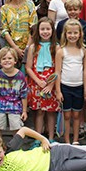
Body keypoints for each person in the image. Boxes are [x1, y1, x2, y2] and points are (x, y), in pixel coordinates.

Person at [25, 17, 59, 146]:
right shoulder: (33, 47)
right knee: (39, 111)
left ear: (52, 30)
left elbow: (58, 68)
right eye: (42, 29)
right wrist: (38, 81)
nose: (45, 32)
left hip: (51, 84)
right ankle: (38, 138)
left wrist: (51, 85)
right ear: (38, 31)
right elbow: (28, 67)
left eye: (48, 29)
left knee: (51, 111)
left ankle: (51, 137)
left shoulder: (56, 47)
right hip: (37, 83)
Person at [54, 19, 85, 145]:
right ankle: (67, 140)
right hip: (65, 87)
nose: (72, 36)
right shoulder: (61, 51)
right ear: (65, 34)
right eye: (69, 33)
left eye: (75, 33)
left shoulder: (83, 50)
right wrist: (58, 91)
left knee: (77, 115)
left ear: (80, 34)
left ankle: (76, 140)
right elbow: (57, 72)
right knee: (67, 115)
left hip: (79, 87)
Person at [0, 47, 28, 137]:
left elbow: (24, 95)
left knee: (17, 129)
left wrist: (24, 111)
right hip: (0, 106)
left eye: (10, 58)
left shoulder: (20, 76)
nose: (7, 61)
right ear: (0, 61)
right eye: (4, 59)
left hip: (15, 106)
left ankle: (16, 149)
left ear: (15, 61)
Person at [0, 0, 38, 64]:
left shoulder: (30, 5)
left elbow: (34, 28)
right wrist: (15, 48)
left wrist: (27, 48)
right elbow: (4, 30)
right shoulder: (4, 8)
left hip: (29, 47)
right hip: (11, 50)